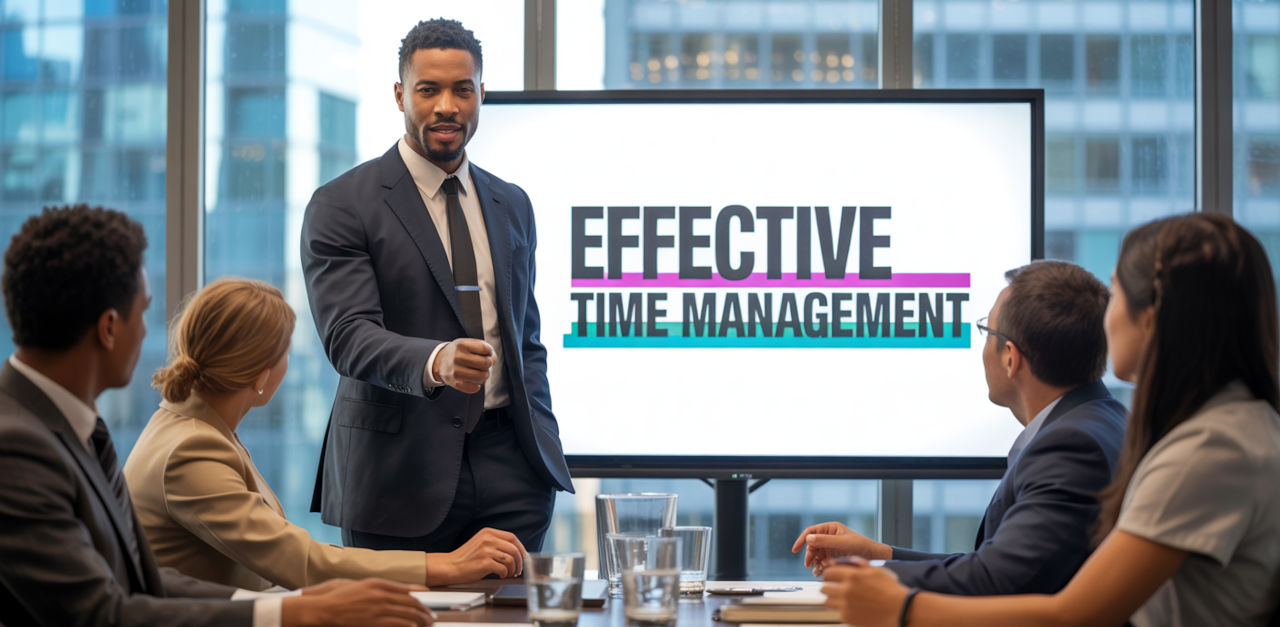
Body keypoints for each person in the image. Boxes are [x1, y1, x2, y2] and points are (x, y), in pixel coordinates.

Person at [823, 212, 1280, 626]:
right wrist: (881, 558)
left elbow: (1071, 611)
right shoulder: (1223, 427)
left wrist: (902, 608)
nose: (1106, 317)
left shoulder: (1209, 447)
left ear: (1153, 315)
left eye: (1117, 291)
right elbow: (1018, 565)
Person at [0, 205, 431, 626]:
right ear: (109, 327)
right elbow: (99, 612)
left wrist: (286, 607)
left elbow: (140, 582)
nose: (149, 330)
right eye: (143, 311)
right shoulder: (17, 448)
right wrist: (291, 611)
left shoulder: (73, 428)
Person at [300, 17, 572, 554]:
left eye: (461, 89)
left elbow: (526, 340)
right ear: (401, 95)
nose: (446, 105)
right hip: (395, 479)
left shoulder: (511, 203)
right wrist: (436, 361)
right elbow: (348, 337)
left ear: (480, 95)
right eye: (428, 90)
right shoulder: (341, 204)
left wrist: (540, 443)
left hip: (513, 476)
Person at [123, 279, 526, 592]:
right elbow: (299, 561)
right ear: (261, 374)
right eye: (286, 351)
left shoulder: (190, 429)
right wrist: (449, 565)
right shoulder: (191, 449)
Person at [794, 260, 1127, 595]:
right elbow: (1001, 564)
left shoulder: (1071, 447)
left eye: (987, 332)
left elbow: (997, 580)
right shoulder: (1099, 420)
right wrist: (877, 557)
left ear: (1010, 358)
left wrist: (868, 577)